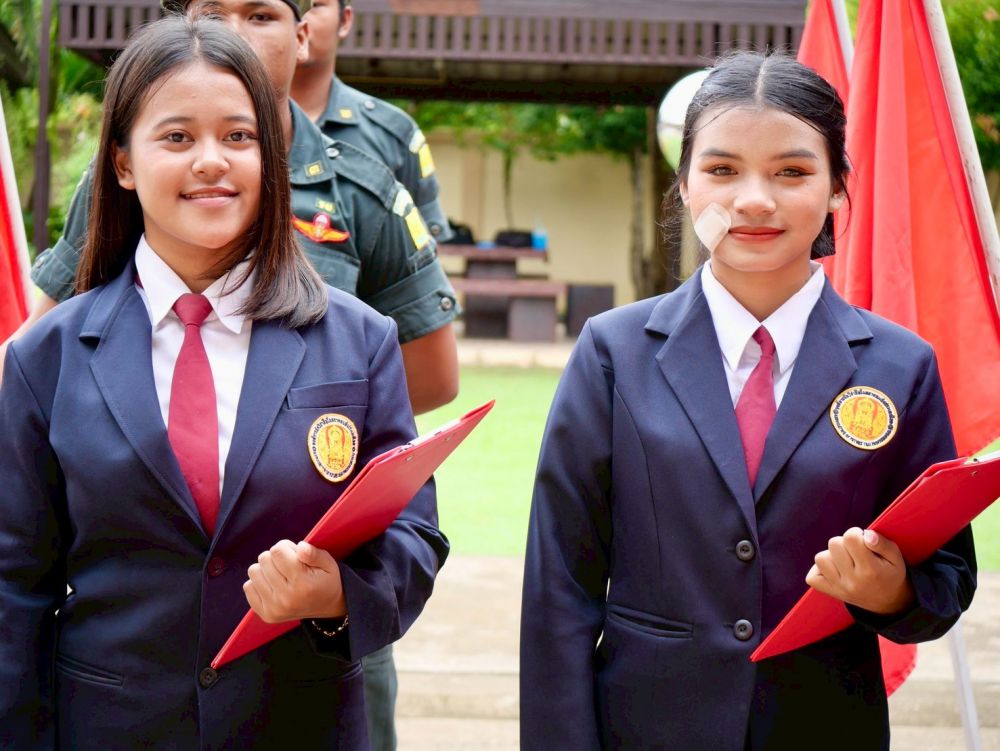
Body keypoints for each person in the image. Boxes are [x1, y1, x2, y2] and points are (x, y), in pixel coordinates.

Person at [0, 16, 448, 749]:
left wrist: (337, 592)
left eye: (239, 137)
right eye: (177, 137)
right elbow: (13, 586)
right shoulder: (45, 357)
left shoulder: (360, 340)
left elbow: (413, 534)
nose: (212, 161)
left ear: (270, 158)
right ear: (122, 163)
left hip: (300, 726)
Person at [519, 51, 976, 751]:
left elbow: (947, 577)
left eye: (792, 172)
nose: (755, 199)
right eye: (723, 169)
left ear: (836, 188)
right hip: (644, 728)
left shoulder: (900, 365)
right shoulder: (613, 352)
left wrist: (891, 593)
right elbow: (560, 589)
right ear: (685, 186)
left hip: (826, 726)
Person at [8, 0, 459, 416]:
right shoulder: (132, 181)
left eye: (260, 16)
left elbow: (432, 375)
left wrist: (309, 425)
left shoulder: (362, 191)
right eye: (212, 15)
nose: (234, 34)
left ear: (302, 37)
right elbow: (41, 349)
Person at [291, 0, 453, 244]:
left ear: (344, 20)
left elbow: (421, 253)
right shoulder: (235, 127)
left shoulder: (394, 135)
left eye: (314, 4)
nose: (300, 15)